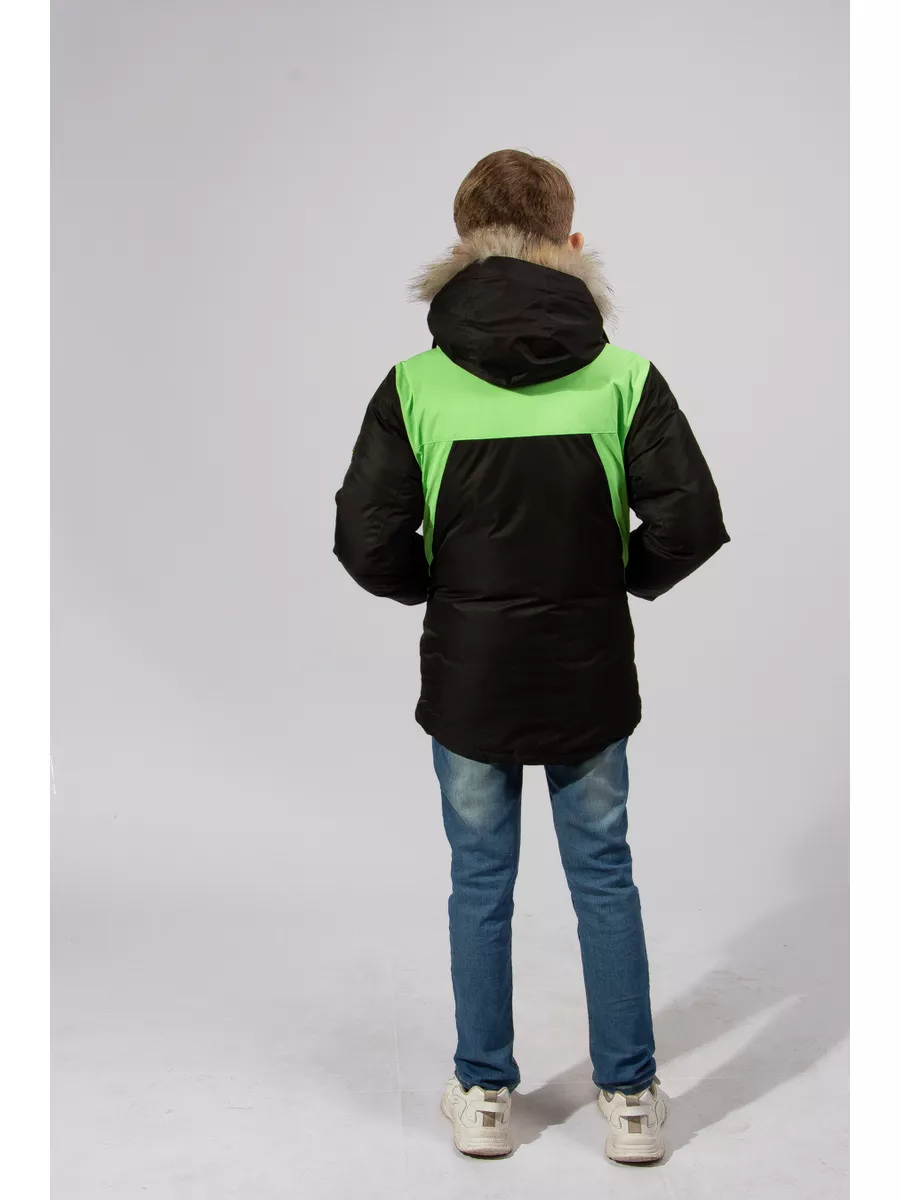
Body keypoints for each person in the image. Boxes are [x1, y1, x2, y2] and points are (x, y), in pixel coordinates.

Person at [333, 149, 729, 1161]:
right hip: (588, 668)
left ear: (462, 247)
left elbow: (366, 542)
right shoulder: (624, 376)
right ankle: (629, 1098)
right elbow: (689, 523)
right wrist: (613, 577)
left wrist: (444, 590)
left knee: (479, 879)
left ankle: (483, 1092)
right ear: (572, 242)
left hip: (469, 674)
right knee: (604, 873)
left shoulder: (414, 385)